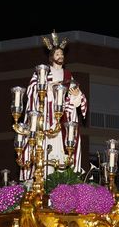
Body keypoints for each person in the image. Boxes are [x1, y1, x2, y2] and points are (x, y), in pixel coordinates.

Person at [21, 31, 88, 180]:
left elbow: (76, 97)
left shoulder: (68, 75)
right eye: (57, 54)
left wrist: (76, 94)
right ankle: (42, 179)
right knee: (45, 150)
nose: (61, 56)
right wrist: (50, 87)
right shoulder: (42, 72)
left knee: (63, 150)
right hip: (46, 119)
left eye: (62, 54)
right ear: (52, 57)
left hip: (63, 118)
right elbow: (32, 90)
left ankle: (62, 181)